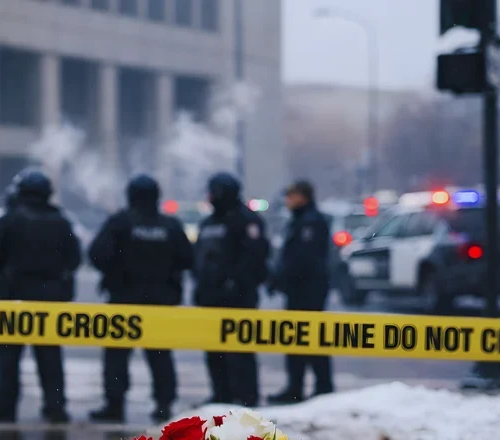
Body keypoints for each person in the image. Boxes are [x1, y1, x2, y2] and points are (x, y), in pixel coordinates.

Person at [0, 168, 81, 423]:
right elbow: (75, 259)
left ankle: (5, 407)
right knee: (50, 356)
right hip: (50, 298)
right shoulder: (61, 221)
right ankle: (56, 407)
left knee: (9, 356)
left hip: (14, 296)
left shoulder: (10, 220)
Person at [88, 175, 194, 423]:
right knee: (160, 355)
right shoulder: (170, 225)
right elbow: (187, 259)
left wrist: (117, 270)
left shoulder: (120, 223)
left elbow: (96, 255)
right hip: (160, 301)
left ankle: (115, 405)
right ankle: (163, 405)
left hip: (124, 299)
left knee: (116, 355)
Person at [193, 172, 270, 407]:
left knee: (240, 351)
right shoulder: (208, 222)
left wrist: (236, 282)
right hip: (210, 296)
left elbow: (256, 256)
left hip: (238, 298)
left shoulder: (246, 220)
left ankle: (246, 396)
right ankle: (221, 393)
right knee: (213, 350)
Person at [268, 180, 333, 404]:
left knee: (310, 338)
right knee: (295, 339)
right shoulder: (299, 221)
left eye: (291, 196)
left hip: (308, 290)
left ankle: (321, 386)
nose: (288, 200)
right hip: (299, 288)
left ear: (302, 197)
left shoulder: (310, 222)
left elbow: (303, 259)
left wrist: (282, 277)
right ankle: (295, 386)